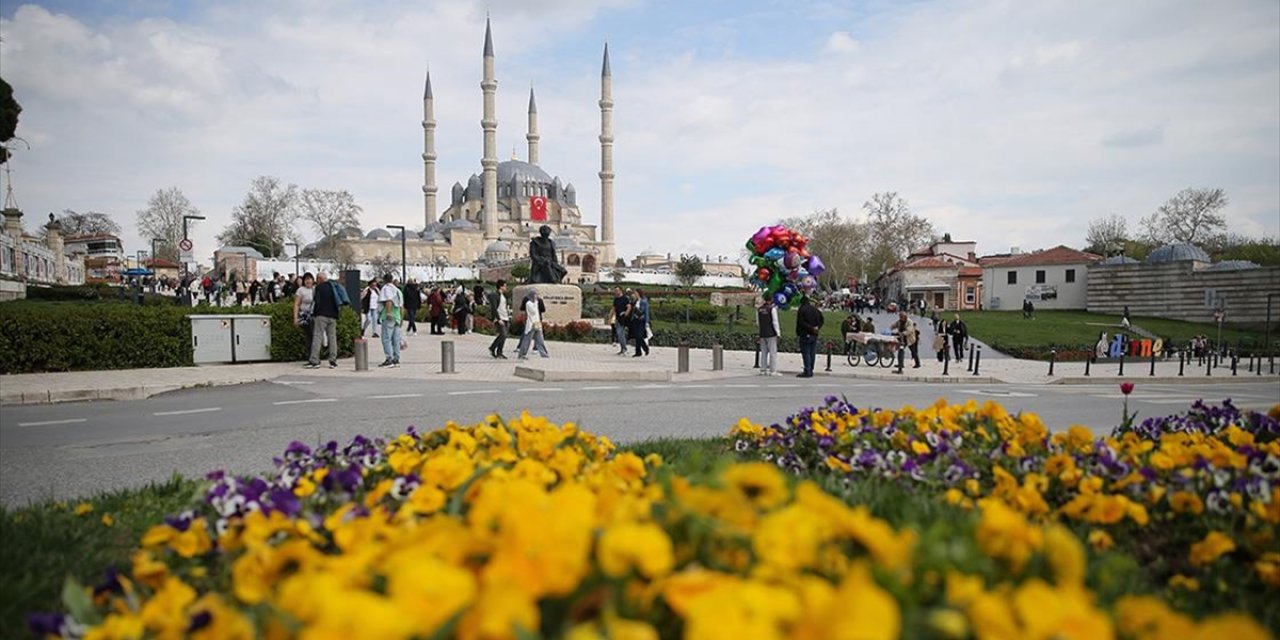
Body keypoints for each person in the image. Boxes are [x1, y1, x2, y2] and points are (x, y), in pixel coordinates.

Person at [307, 271, 349, 369]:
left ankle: (315, 360)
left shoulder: (319, 288)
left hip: (321, 315)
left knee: (317, 337)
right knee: (332, 338)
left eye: (317, 279)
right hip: (333, 315)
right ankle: (333, 361)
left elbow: (317, 302)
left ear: (319, 279)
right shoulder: (334, 286)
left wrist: (314, 314)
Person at [378, 274, 404, 368]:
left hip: (389, 316)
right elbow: (401, 306)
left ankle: (389, 359)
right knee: (396, 339)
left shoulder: (387, 288)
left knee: (386, 338)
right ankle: (396, 359)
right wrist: (401, 318)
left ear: (384, 280)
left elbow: (388, 300)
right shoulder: (398, 291)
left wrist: (388, 312)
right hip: (397, 316)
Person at [795, 295, 824, 378]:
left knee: (806, 352)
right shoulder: (815, 310)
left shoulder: (802, 310)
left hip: (805, 333)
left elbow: (800, 322)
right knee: (812, 352)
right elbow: (822, 319)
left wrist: (809, 329)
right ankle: (811, 368)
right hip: (814, 333)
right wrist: (817, 327)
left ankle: (807, 370)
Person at [517, 289, 549, 359]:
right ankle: (522, 354)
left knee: (540, 340)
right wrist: (535, 303)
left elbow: (538, 313)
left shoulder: (537, 302)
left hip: (537, 323)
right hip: (531, 324)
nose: (536, 296)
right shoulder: (528, 304)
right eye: (535, 295)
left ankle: (544, 354)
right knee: (527, 340)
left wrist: (536, 303)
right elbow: (533, 312)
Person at [293, 272, 316, 362]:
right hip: (305, 315)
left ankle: (314, 355)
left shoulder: (315, 289)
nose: (308, 281)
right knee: (309, 335)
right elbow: (296, 304)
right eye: (306, 279)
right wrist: (295, 318)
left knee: (314, 336)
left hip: (315, 315)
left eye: (310, 279)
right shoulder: (301, 290)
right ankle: (311, 356)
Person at [757, 294, 781, 376]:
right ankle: (772, 370)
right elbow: (775, 322)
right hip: (771, 333)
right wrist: (778, 333)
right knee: (772, 352)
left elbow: (758, 322)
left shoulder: (759, 309)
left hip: (762, 332)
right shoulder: (772, 309)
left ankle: (763, 369)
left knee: (763, 352)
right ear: (771, 300)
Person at [488, 280, 510, 359]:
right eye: (505, 286)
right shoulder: (495, 295)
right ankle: (492, 347)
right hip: (500, 318)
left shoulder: (503, 295)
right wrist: (498, 318)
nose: (506, 287)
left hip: (505, 317)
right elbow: (494, 308)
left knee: (504, 336)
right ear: (500, 286)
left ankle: (499, 352)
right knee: (502, 334)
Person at [630, 289, 650, 357]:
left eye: (635, 293)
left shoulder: (644, 301)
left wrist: (647, 321)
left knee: (639, 335)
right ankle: (638, 352)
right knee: (636, 336)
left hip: (641, 320)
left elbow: (645, 311)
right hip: (635, 319)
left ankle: (645, 348)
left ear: (638, 293)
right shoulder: (635, 301)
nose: (634, 294)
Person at [611, 287, 631, 355]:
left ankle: (624, 348)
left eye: (617, 290)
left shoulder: (625, 298)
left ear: (620, 291)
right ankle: (622, 349)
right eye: (615, 290)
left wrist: (625, 314)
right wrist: (610, 317)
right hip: (617, 319)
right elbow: (613, 308)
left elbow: (629, 307)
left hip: (623, 319)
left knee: (620, 334)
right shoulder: (616, 299)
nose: (616, 292)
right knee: (619, 334)